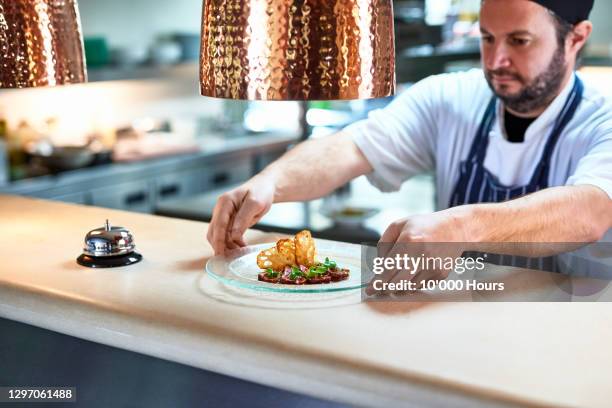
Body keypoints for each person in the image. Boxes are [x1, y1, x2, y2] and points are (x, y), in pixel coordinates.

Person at [207, 0, 612, 274]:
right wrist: (270, 183)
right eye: (487, 38)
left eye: (519, 41)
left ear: (576, 38)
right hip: (456, 325)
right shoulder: (449, 96)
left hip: (564, 335)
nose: (495, 60)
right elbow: (348, 147)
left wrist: (461, 227)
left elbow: (589, 212)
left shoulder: (603, 120)